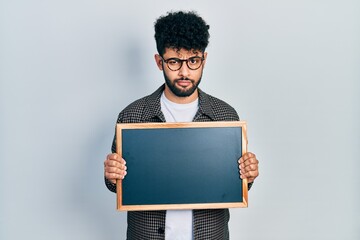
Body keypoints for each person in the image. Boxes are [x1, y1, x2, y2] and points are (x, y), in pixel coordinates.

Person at [104, 10, 259, 239]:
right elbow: (118, 185)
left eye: (193, 61)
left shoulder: (225, 116)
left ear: (204, 60)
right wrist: (110, 175)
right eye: (175, 61)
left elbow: (233, 184)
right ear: (159, 61)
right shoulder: (132, 116)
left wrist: (249, 175)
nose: (184, 72)